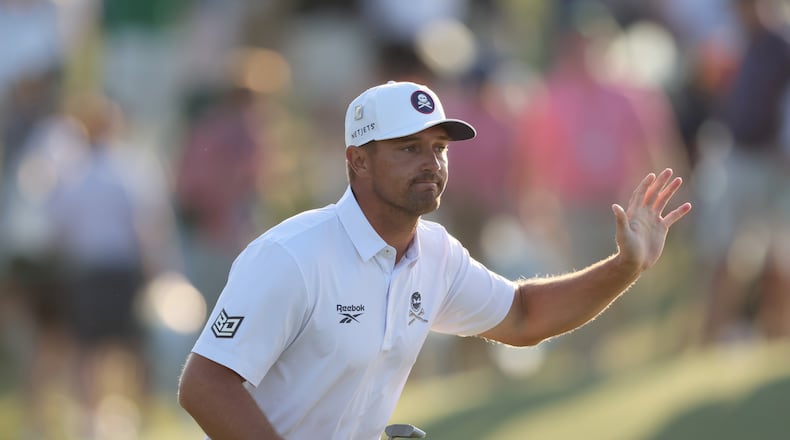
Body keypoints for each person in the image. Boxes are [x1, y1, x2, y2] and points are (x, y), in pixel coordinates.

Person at [177, 80, 692, 440]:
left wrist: (625, 266)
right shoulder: (292, 255)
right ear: (357, 160)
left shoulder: (436, 253)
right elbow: (204, 385)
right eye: (408, 148)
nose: (431, 163)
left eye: (439, 147)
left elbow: (524, 316)